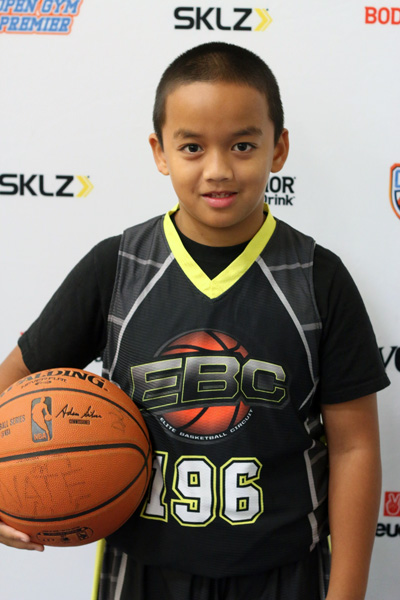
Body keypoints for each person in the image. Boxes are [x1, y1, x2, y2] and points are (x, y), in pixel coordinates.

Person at [0, 42, 390, 600]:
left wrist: (347, 592)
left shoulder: (316, 278)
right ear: (160, 152)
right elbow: (14, 384)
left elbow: (355, 447)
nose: (218, 169)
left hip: (285, 570)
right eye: (192, 147)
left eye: (242, 145)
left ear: (279, 149)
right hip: (144, 570)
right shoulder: (117, 268)